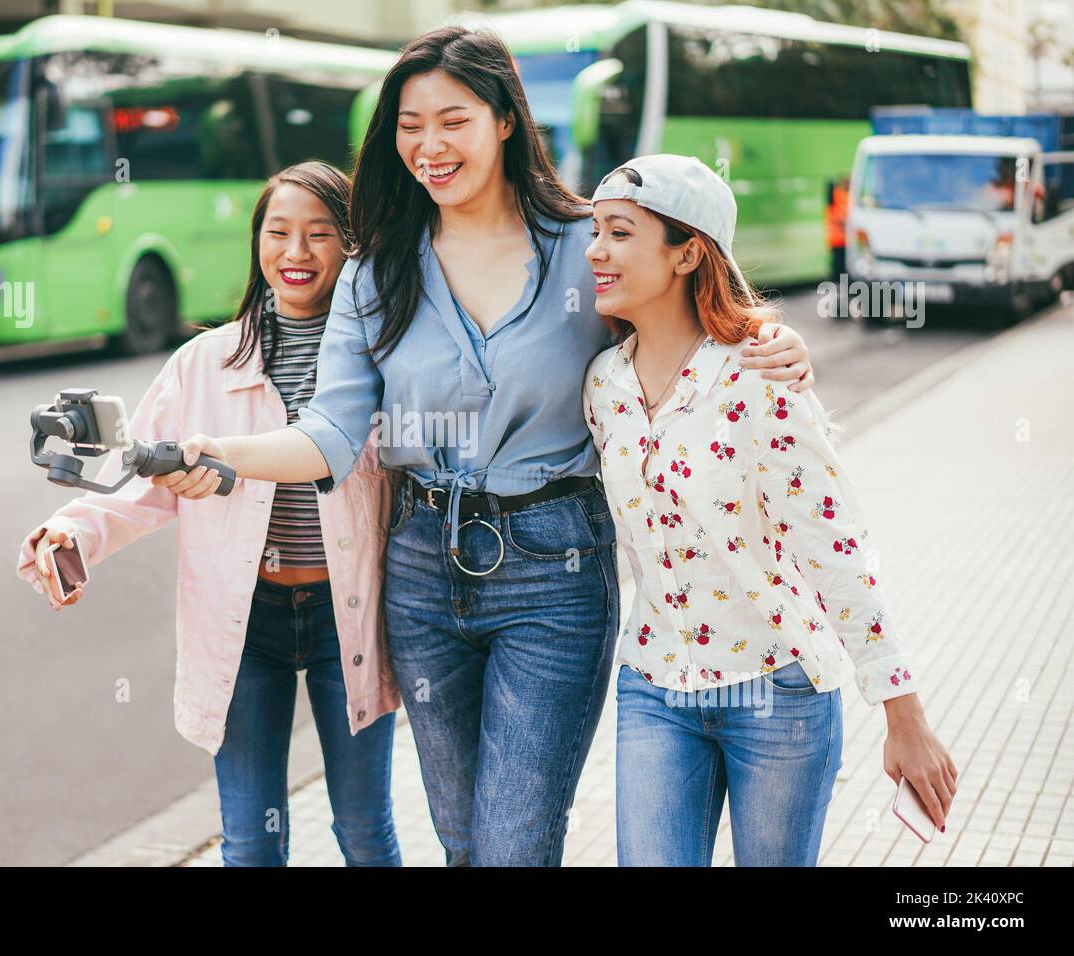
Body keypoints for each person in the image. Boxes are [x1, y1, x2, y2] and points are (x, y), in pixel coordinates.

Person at [170, 27, 816, 867]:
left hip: (556, 573)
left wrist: (777, 342)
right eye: (408, 126)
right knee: (466, 841)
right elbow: (331, 434)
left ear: (505, 118)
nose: (428, 147)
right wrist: (222, 452)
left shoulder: (588, 247)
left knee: (514, 844)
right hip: (421, 574)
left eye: (453, 120)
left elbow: (694, 318)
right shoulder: (378, 273)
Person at [15, 162, 402, 867]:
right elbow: (143, 477)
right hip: (243, 619)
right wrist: (74, 530)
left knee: (365, 834)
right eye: (278, 232)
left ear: (352, 248)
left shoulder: (383, 363)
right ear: (257, 242)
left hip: (346, 619)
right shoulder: (205, 363)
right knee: (252, 843)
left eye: (321, 235)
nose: (296, 253)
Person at [583, 154, 957, 866]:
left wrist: (901, 709)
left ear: (688, 251)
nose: (596, 251)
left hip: (779, 692)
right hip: (655, 687)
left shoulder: (761, 375)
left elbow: (833, 544)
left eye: (620, 232)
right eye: (595, 231)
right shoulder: (603, 386)